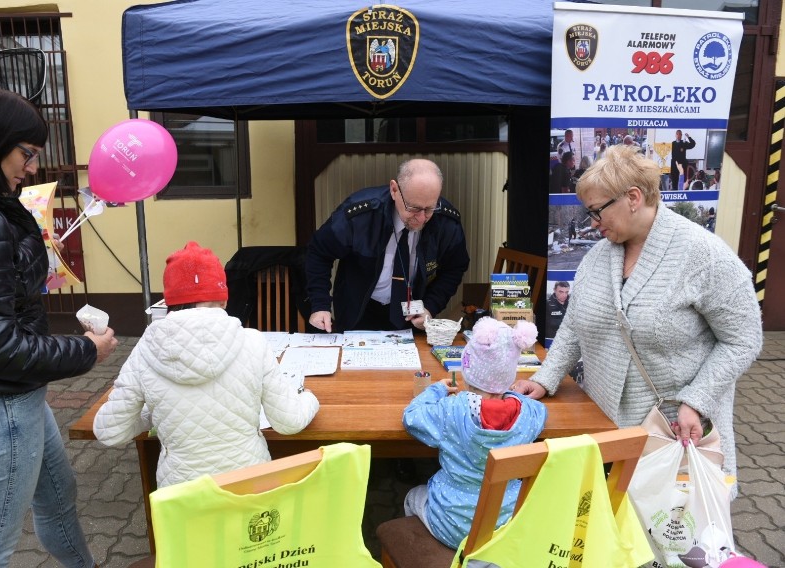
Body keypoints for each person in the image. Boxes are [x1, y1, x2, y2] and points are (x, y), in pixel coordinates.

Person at [0, 85, 118, 568]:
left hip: (9, 399)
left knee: (59, 495)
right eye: (26, 154)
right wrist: (86, 351)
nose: (32, 168)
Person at [512, 145, 762, 488]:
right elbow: (573, 325)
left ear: (632, 197)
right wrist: (545, 378)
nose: (593, 223)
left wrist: (697, 400)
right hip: (608, 431)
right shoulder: (598, 257)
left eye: (598, 211)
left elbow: (743, 339)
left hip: (676, 432)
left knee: (670, 534)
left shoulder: (705, 256)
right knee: (611, 528)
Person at [93, 241, 320, 488]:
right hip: (248, 486)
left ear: (169, 303)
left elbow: (110, 431)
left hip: (182, 498)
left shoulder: (145, 350)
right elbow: (290, 422)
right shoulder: (253, 342)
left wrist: (154, 415)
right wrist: (309, 398)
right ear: (223, 299)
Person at [401, 317, 547, 549]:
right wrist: (512, 393)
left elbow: (411, 418)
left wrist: (436, 389)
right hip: (506, 524)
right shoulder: (530, 413)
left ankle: (422, 549)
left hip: (451, 524)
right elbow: (540, 410)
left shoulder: (451, 410)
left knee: (413, 495)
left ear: (467, 370)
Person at [306, 158, 469, 333]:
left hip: (412, 316)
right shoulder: (360, 216)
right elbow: (318, 252)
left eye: (429, 208)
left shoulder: (446, 222)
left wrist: (430, 306)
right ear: (394, 190)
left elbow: (455, 267)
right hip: (358, 311)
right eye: (413, 208)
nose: (422, 218)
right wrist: (320, 303)